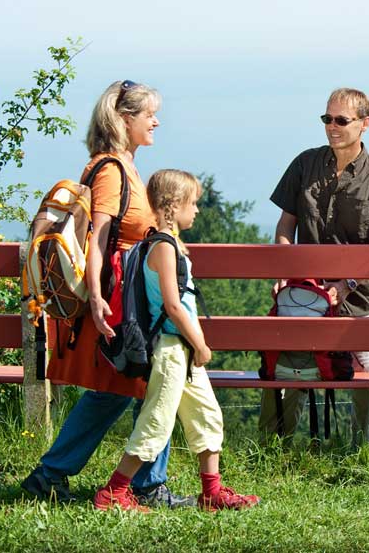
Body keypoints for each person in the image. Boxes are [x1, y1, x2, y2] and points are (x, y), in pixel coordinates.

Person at [21, 80, 193, 509]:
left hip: (126, 297)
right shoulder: (113, 170)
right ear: (123, 119)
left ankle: (56, 476)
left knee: (123, 388)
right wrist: (97, 298)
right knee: (141, 385)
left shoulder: (123, 166)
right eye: (148, 113)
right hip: (120, 301)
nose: (156, 120)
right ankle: (141, 485)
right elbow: (98, 240)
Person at [93, 170, 258, 512]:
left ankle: (212, 492)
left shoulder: (164, 243)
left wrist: (193, 345)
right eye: (192, 203)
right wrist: (200, 344)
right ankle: (113, 493)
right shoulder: (164, 248)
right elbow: (172, 304)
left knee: (207, 415)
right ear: (173, 206)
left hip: (180, 349)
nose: (197, 210)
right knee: (156, 421)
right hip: (171, 350)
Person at [260, 87, 369, 443]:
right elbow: (286, 227)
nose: (331, 127)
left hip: (362, 300)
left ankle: (365, 450)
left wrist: (346, 285)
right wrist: (288, 275)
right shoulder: (305, 163)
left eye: (341, 120)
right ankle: (274, 447)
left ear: (365, 124)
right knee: (289, 369)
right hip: (307, 295)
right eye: (327, 119)